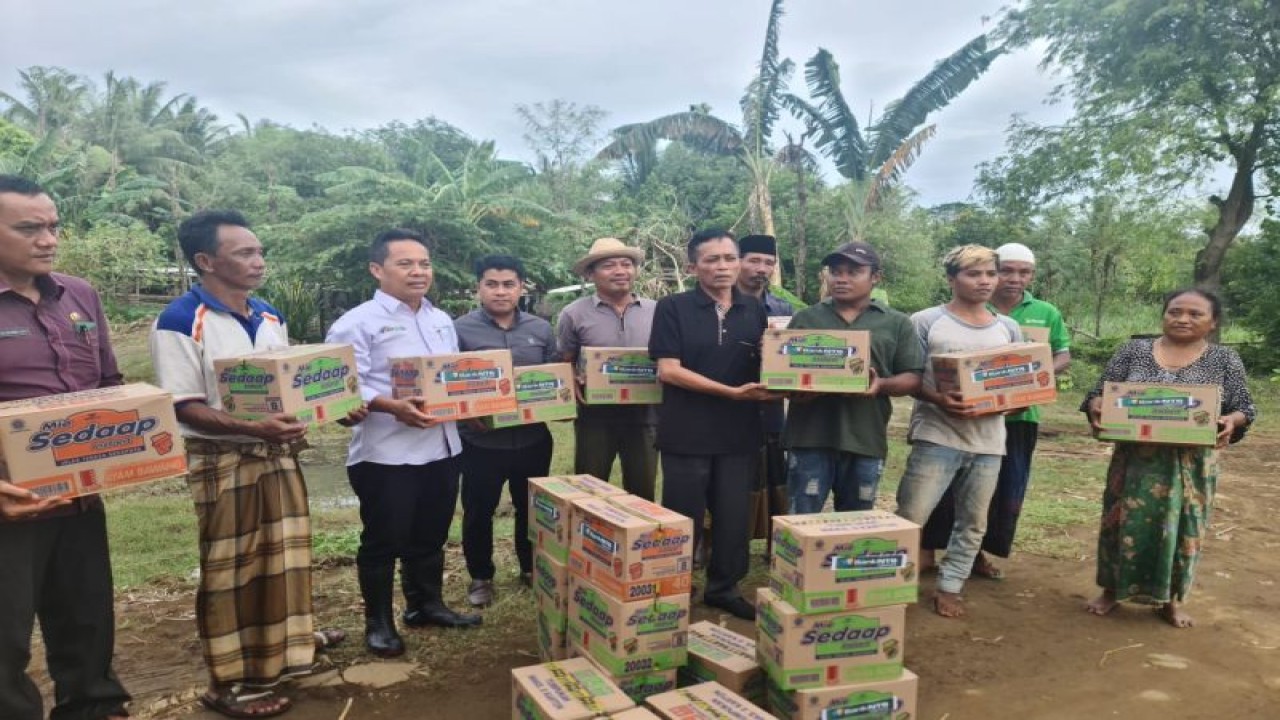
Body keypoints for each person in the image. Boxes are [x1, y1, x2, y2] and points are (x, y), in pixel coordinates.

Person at [152, 209, 359, 718]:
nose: (258, 260)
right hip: (223, 461)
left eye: (259, 250)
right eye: (244, 252)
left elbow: (284, 389)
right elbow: (182, 405)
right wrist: (252, 428)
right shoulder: (181, 320)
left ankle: (292, 646)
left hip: (275, 455)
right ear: (206, 260)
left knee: (285, 556)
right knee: (231, 570)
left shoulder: (268, 316)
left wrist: (332, 405)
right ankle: (227, 682)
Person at [0, 175, 131, 720]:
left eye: (53, 226)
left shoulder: (79, 294)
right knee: (4, 636)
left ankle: (94, 708)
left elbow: (109, 384)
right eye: (29, 228)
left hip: (78, 492)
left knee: (86, 618)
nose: (48, 239)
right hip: (8, 505)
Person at [325, 229, 481, 660]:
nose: (419, 272)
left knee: (431, 535)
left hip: (444, 447)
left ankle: (425, 605)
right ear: (377, 270)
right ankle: (378, 623)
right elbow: (338, 389)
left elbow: (449, 379)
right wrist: (392, 406)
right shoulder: (355, 323)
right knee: (383, 540)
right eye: (406, 263)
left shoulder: (440, 319)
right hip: (386, 453)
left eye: (425, 263)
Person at [1082, 289, 1254, 628]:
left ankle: (1171, 599)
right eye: (1175, 311)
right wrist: (1096, 406)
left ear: (1213, 322)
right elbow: (1098, 394)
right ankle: (1111, 590)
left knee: (1184, 528)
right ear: (1164, 315)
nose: (1183, 319)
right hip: (1134, 461)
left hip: (1190, 464)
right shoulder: (1133, 351)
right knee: (1120, 523)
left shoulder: (1224, 359)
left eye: (1195, 314)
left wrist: (1231, 421)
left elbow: (1245, 408)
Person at [920, 242, 1071, 579]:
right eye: (1006, 271)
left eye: (1025, 272)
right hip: (948, 424)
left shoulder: (1042, 313)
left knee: (999, 492)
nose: (1014, 279)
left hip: (1013, 419)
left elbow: (1056, 355)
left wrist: (1035, 378)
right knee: (935, 492)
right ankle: (926, 550)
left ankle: (974, 558)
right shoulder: (947, 315)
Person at [650, 228, 774, 621]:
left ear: (738, 262)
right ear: (692, 267)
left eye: (729, 258)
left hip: (738, 433)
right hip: (686, 432)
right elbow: (668, 371)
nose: (722, 267)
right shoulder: (673, 307)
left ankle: (724, 587)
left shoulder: (754, 310)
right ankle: (677, 588)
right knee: (682, 516)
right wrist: (730, 392)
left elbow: (767, 362)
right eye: (711, 260)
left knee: (734, 516)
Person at [893, 245, 1021, 619]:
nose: (984, 282)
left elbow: (1019, 383)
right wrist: (940, 399)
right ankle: (892, 585)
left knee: (973, 521)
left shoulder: (1007, 328)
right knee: (911, 516)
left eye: (990, 274)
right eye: (973, 274)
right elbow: (912, 377)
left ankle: (950, 587)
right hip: (937, 436)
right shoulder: (925, 321)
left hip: (989, 441)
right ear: (951, 279)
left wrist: (1010, 404)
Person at [783, 242, 924, 513]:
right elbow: (783, 374)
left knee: (855, 520)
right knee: (801, 517)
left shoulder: (896, 323)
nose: (842, 278)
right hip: (809, 436)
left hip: (865, 438)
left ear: (875, 277)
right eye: (835, 272)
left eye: (853, 272)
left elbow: (914, 377)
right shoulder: (806, 318)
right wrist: (796, 390)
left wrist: (880, 384)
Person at [454, 255, 558, 607]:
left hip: (532, 439)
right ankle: (481, 577)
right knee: (478, 510)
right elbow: (447, 383)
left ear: (521, 288)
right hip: (480, 441)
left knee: (532, 508)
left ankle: (531, 569)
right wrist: (466, 415)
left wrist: (559, 402)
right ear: (479, 288)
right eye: (492, 284)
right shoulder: (459, 330)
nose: (500, 292)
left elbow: (554, 379)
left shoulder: (541, 329)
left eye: (508, 284)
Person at [557, 237, 658, 500]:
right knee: (589, 489)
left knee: (643, 489)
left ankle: (636, 539)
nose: (620, 271)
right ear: (591, 273)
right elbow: (565, 360)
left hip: (644, 415)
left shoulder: (655, 311)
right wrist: (572, 382)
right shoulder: (573, 313)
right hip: (595, 416)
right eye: (609, 265)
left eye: (626, 264)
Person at [736, 235, 793, 549]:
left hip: (770, 408)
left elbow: (794, 362)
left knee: (773, 476)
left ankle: (776, 545)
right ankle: (715, 541)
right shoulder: (719, 304)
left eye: (768, 262)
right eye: (753, 260)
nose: (761, 268)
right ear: (738, 261)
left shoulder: (782, 309)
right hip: (727, 405)